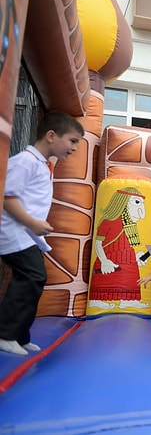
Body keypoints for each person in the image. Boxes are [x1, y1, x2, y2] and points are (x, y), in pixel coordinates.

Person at [0, 111, 84, 355]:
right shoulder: (25, 162)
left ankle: (19, 335)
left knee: (36, 279)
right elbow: (7, 197)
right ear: (51, 136)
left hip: (25, 234)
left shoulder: (41, 163)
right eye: (72, 141)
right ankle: (5, 332)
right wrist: (33, 223)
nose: (75, 147)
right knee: (32, 276)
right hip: (13, 232)